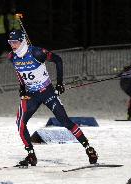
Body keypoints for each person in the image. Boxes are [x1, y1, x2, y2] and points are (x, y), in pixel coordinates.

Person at [7, 30, 98, 166]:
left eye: (15, 42)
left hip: (47, 92)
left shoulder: (37, 53)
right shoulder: (12, 57)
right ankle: (31, 155)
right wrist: (22, 87)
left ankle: (88, 148)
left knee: (65, 121)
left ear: (22, 40)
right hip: (31, 95)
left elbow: (58, 60)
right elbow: (20, 73)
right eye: (10, 42)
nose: (13, 45)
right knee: (20, 123)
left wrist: (60, 83)